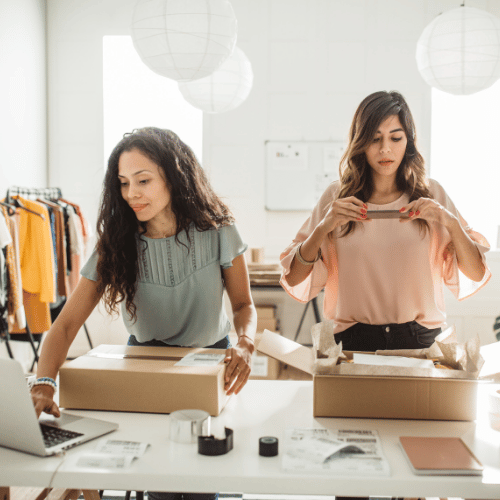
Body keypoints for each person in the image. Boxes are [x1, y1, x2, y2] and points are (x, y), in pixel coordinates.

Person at [280, 91, 491, 500]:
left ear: (408, 141)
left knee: (417, 477)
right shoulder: (335, 199)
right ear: (360, 142)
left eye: (395, 137)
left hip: (420, 346)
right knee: (351, 473)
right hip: (352, 347)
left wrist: (447, 220)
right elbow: (296, 275)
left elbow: (475, 270)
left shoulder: (432, 196)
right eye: (375, 138)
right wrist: (323, 227)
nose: (385, 149)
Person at [31, 127, 257, 500]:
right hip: (143, 365)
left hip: (211, 362)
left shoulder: (218, 229)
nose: (131, 194)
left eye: (143, 180)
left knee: (204, 480)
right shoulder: (117, 242)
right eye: (123, 183)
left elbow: (243, 305)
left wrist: (246, 343)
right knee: (161, 481)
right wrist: (43, 382)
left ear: (174, 176)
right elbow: (66, 324)